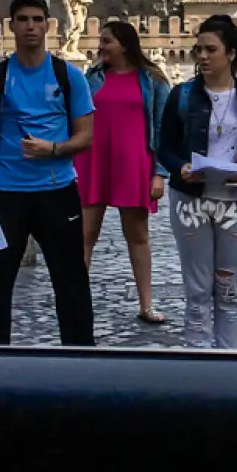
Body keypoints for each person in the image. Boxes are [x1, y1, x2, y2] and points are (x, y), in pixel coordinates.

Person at [0, 0, 97, 346]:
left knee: (71, 281)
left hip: (58, 191)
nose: (30, 26)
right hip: (5, 194)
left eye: (37, 19)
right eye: (23, 20)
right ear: (12, 26)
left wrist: (54, 149)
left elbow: (86, 137)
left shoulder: (69, 77)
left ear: (48, 26)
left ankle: (80, 355)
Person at [157, 19, 237, 350]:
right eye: (199, 50)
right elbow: (163, 146)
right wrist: (180, 167)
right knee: (196, 290)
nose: (203, 57)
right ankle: (200, 367)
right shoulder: (181, 96)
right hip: (190, 199)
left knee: (228, 288)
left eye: (211, 50)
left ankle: (229, 362)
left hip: (236, 200)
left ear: (231, 54)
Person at [79, 19, 171, 327]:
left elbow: (162, 129)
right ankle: (75, 304)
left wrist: (159, 173)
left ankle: (146, 304)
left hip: (134, 163)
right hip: (93, 162)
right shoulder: (89, 78)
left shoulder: (153, 81)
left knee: (138, 236)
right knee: (84, 235)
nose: (100, 46)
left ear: (125, 44)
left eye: (107, 41)